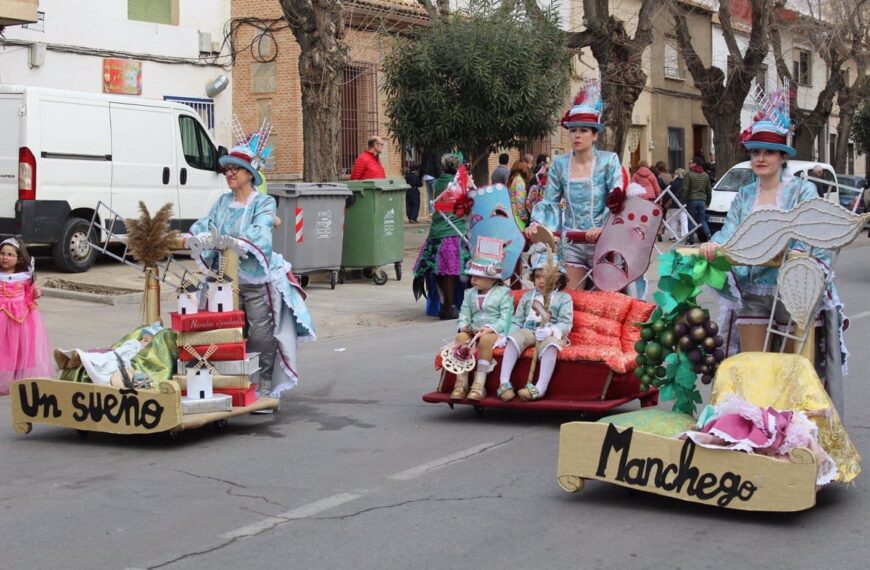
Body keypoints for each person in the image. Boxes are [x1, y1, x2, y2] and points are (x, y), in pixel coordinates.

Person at [187, 128, 315, 399]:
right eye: (227, 170)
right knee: (222, 330)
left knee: (260, 331)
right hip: (223, 279)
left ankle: (264, 382)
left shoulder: (264, 202)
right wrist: (192, 237)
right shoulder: (222, 202)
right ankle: (227, 382)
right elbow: (206, 225)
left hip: (255, 278)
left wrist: (236, 242)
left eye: (236, 169)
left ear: (249, 174)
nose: (230, 174)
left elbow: (261, 231)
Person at [698, 94, 821, 354]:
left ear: (782, 157)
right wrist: (713, 246)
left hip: (791, 293)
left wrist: (793, 252)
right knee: (753, 368)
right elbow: (730, 233)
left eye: (769, 152)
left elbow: (813, 238)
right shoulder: (744, 195)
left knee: (789, 373)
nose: (761, 158)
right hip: (752, 292)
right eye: (755, 152)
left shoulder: (803, 191)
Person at [524, 79, 628, 291]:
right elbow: (550, 202)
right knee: (571, 300)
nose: (577, 135)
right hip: (572, 242)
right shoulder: (560, 165)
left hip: (605, 241)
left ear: (595, 135)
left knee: (604, 305)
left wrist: (603, 228)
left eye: (583, 130)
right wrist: (538, 225)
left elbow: (619, 200)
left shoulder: (609, 161)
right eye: (573, 130)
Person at [496, 245, 573, 402]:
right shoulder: (527, 296)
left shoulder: (564, 299)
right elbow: (518, 320)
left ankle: (540, 387)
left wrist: (551, 331)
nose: (541, 281)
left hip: (549, 333)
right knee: (514, 339)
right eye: (537, 276)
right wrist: (507, 335)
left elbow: (566, 323)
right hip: (529, 330)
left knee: (552, 344)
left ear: (558, 278)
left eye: (545, 276)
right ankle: (504, 382)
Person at [450, 251, 514, 402]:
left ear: (492, 279)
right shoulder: (469, 293)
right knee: (460, 337)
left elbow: (506, 318)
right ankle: (461, 382)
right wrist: (464, 326)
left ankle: (479, 384)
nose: (473, 279)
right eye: (472, 276)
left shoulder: (504, 293)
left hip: (494, 332)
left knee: (485, 340)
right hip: (474, 330)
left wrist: (491, 328)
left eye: (478, 276)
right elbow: (464, 313)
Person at [412, 153, 469, 320]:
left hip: (436, 234)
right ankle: (449, 307)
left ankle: (443, 304)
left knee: (438, 270)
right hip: (453, 234)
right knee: (451, 272)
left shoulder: (438, 183)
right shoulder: (457, 183)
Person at [0, 238, 53, 394]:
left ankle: (16, 378)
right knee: (4, 349)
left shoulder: (24, 277)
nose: (5, 257)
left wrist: (37, 292)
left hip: (21, 319)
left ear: (19, 259)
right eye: (2, 253)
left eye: (10, 254)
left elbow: (29, 294)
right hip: (2, 319)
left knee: (20, 349)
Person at [683, 155, 712, 244]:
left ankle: (691, 239)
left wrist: (684, 199)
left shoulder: (689, 174)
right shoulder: (705, 175)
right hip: (702, 200)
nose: (689, 164)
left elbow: (685, 188)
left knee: (690, 219)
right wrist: (708, 201)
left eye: (690, 163)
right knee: (702, 220)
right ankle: (708, 235)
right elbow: (708, 190)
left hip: (691, 199)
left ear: (695, 164)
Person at [507, 159, 531, 229]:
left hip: (512, 215)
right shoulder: (519, 181)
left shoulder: (512, 179)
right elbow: (520, 201)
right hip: (518, 218)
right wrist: (524, 217)